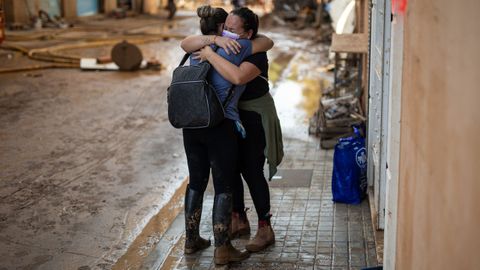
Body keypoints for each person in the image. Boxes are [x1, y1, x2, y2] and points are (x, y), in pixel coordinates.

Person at [185, 7, 284, 253]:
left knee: (251, 170)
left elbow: (240, 76)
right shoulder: (220, 44)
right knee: (229, 171)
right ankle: (238, 219)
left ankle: (265, 228)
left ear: (248, 33)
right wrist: (214, 43)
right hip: (227, 118)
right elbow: (186, 43)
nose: (227, 32)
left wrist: (210, 53)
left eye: (233, 29)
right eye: (225, 27)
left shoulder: (253, 52)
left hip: (253, 117)